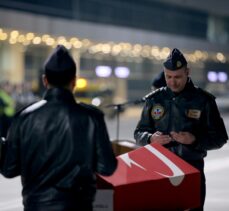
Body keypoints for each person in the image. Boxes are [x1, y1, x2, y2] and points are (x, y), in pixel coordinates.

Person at [0, 45, 117, 211]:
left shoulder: (24, 118)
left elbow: (8, 169)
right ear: (74, 81)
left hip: (36, 206)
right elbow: (107, 168)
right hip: (78, 206)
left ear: (45, 80)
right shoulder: (92, 117)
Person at [134, 48, 228, 211]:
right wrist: (150, 139)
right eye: (168, 77)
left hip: (191, 171)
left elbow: (220, 137)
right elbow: (138, 133)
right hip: (159, 173)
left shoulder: (203, 101)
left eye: (177, 77)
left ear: (187, 72)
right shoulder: (155, 99)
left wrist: (195, 140)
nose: (172, 82)